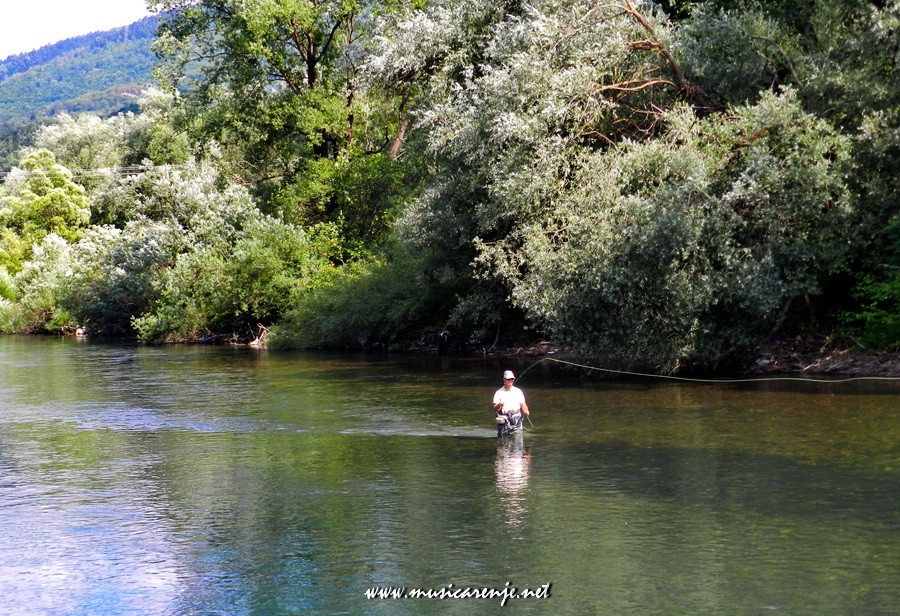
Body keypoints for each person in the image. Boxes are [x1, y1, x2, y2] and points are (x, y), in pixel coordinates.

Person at [492, 370, 529, 436]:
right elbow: (495, 409)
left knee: (518, 441)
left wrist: (526, 410)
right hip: (504, 420)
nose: (510, 381)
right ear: (504, 379)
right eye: (508, 379)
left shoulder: (518, 391)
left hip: (517, 419)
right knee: (504, 442)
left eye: (512, 379)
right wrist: (499, 404)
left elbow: (523, 404)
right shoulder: (498, 393)